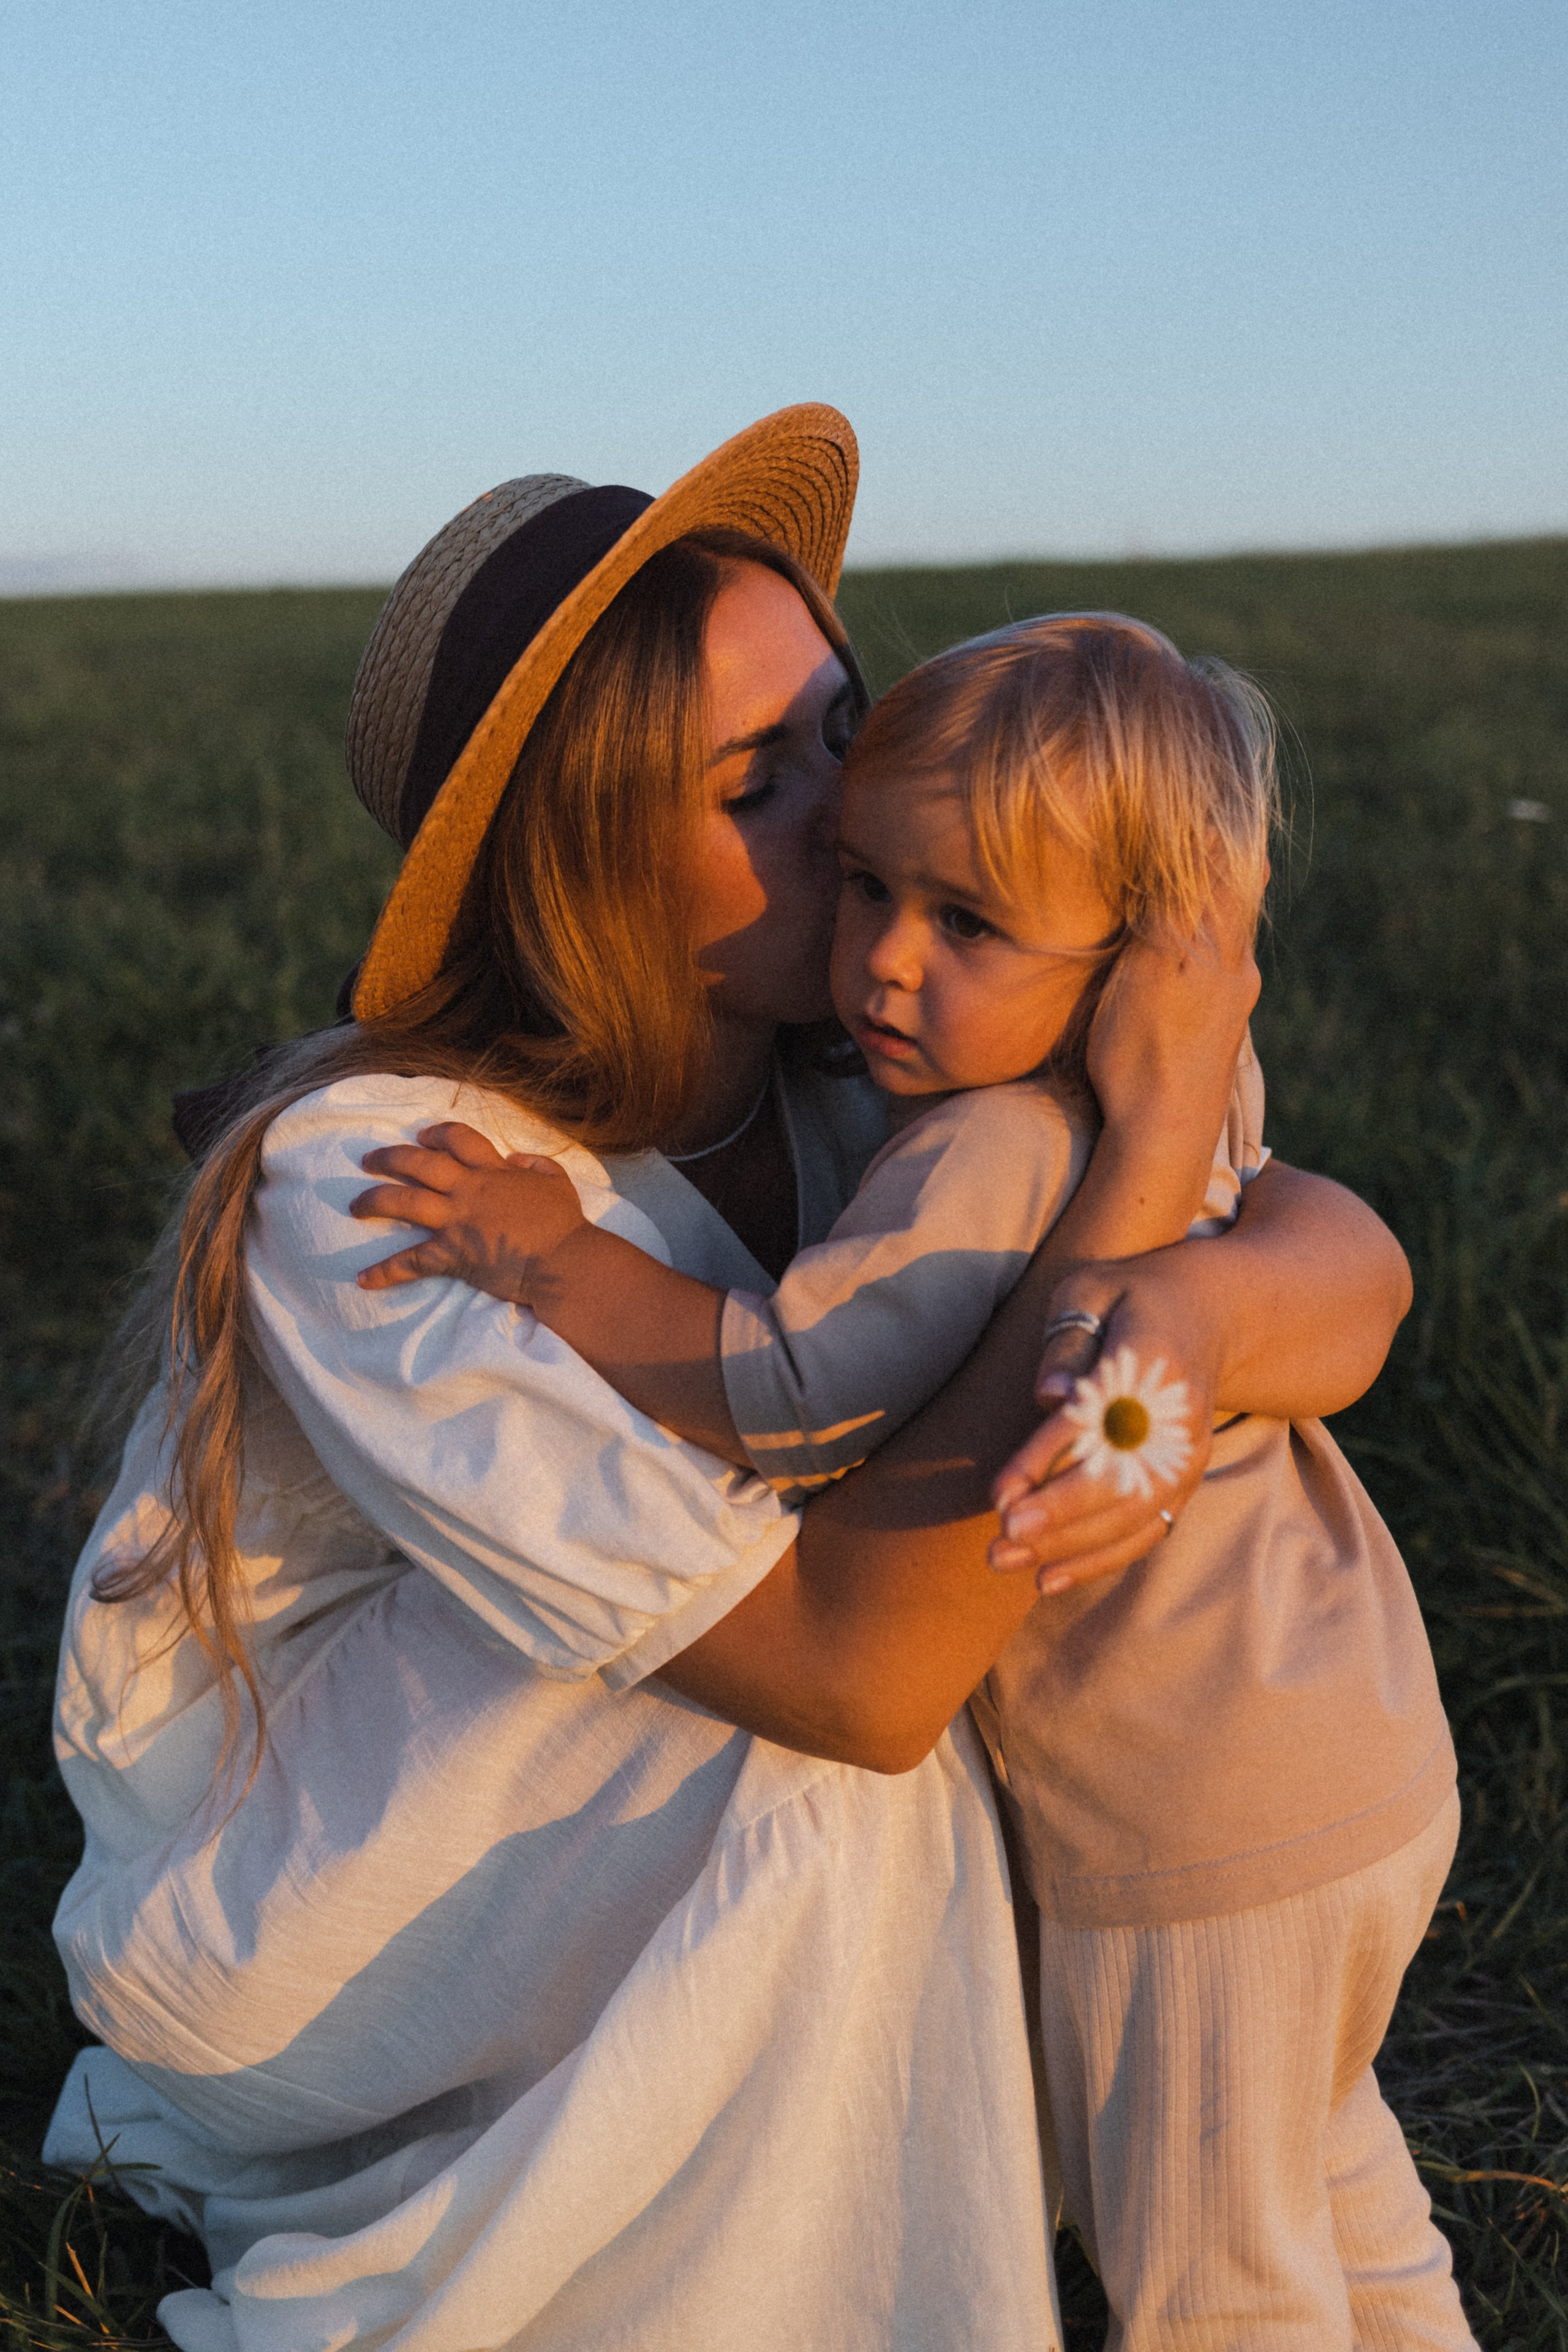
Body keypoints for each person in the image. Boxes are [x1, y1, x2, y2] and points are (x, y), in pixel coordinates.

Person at [42, 408, 1414, 2352]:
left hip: (630, 1776)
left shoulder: (890, 1052)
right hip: (324, 1912)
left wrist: (1184, 1278)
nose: (857, 814)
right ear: (587, 859)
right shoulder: (391, 1184)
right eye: (760, 780)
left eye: (848, 726)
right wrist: (1134, 1176)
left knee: (992, 1708)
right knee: (867, 1757)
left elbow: (1346, 1277)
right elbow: (856, 1674)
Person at [364, 610, 1474, 2351]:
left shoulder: (985, 1148)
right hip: (1358, 1746)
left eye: (965, 924)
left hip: (1189, 1814)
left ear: (1126, 958)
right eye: (874, 888)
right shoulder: (1192, 1087)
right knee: (1335, 2182)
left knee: (1214, 2286)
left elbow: (795, 1393)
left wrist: (552, 1260)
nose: (883, 960)